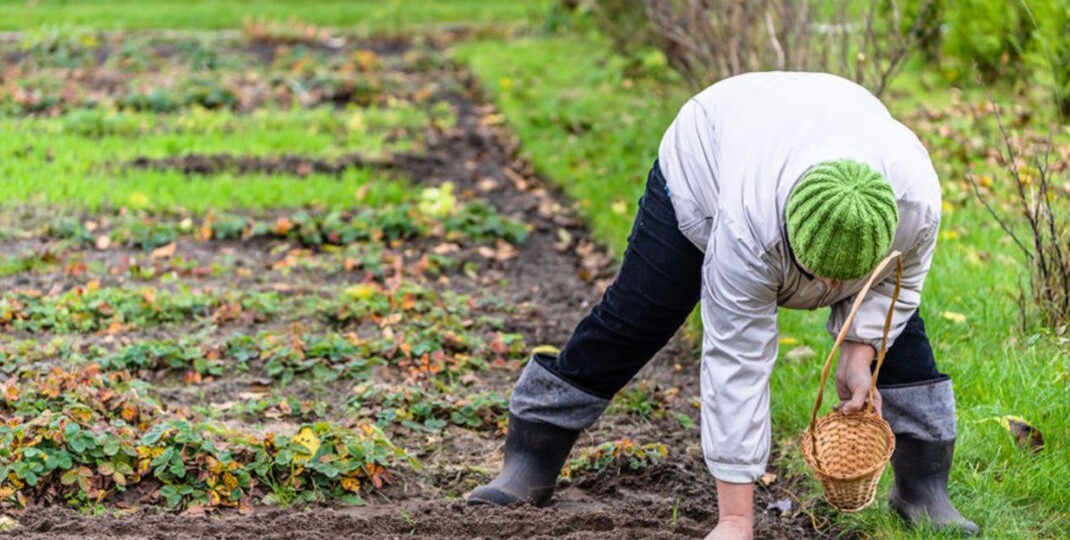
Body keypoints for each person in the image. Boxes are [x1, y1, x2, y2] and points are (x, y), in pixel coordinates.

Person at [467, 71, 979, 538]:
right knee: (639, 317)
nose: (827, 287)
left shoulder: (915, 203)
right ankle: (534, 451)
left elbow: (899, 286)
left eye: (844, 279)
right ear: (787, 234)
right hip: (708, 157)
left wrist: (860, 348)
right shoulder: (747, 222)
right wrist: (736, 519)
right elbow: (738, 360)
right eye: (816, 273)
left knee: (902, 337)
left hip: (817, 126)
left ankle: (923, 489)